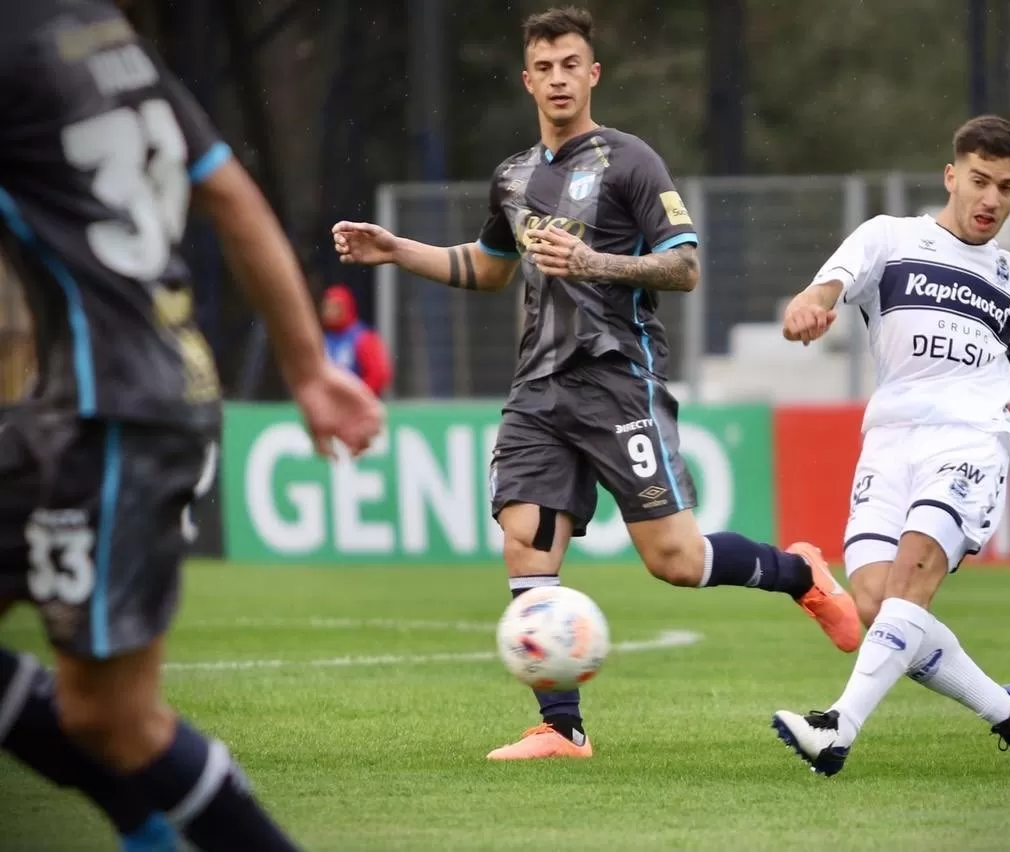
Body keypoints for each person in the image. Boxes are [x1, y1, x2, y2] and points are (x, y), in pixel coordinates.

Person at [332, 5, 861, 762]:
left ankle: (798, 573)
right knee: (525, 542)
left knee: (674, 561)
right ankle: (562, 727)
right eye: (543, 67)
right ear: (527, 79)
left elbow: (684, 265)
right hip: (538, 390)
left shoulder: (631, 162)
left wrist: (597, 263)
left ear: (592, 74)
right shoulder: (513, 176)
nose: (557, 79)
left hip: (619, 381)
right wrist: (396, 250)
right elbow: (488, 267)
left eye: (569, 64)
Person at [0, 2, 384, 850]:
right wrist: (308, 369)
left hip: (114, 411)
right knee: (106, 715)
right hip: (118, 399)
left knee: (113, 718)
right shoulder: (103, 36)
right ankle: (147, 830)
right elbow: (230, 193)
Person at [770, 115, 1010, 778]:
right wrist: (807, 308)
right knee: (877, 607)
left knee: (912, 580)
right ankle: (1009, 710)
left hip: (972, 440)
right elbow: (828, 287)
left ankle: (837, 727)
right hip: (890, 441)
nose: (992, 200)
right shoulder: (891, 238)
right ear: (951, 176)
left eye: (1008, 187)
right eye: (981, 181)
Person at [321, 283, 393, 396]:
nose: (329, 312)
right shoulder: (321, 339)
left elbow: (379, 375)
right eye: (326, 307)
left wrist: (356, 396)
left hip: (357, 404)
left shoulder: (363, 338)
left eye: (335, 307)